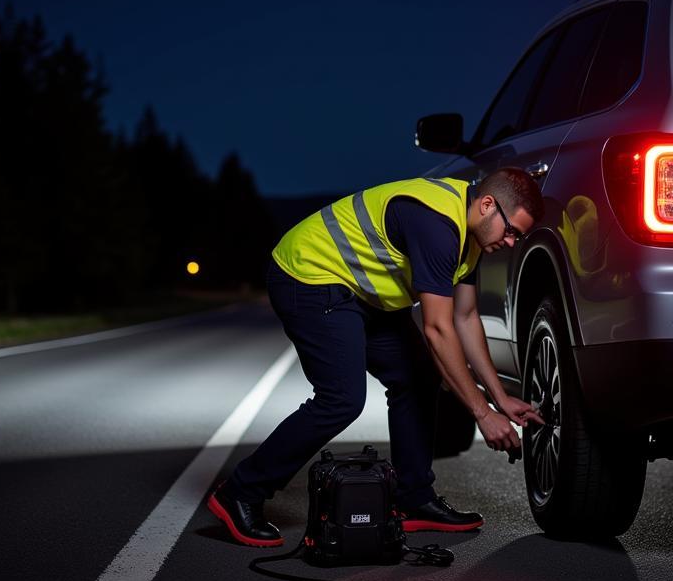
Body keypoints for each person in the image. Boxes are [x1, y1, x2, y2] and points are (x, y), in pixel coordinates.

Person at [207, 167, 546, 546]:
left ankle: (413, 498)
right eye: (512, 230)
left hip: (364, 295)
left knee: (419, 377)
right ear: (487, 205)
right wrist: (483, 412)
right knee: (341, 399)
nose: (513, 242)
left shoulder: (472, 238)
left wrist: (500, 397)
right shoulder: (437, 223)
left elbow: (465, 319)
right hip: (309, 276)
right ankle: (240, 491)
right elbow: (438, 330)